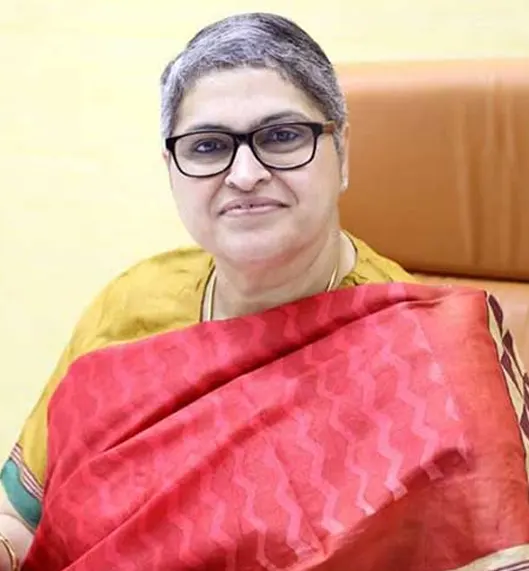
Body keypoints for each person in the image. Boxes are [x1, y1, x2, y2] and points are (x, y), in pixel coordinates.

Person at [1, 12, 528, 571]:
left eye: (281, 136)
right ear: (172, 169)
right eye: (208, 146)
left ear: (342, 152)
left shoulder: (430, 364)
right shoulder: (130, 305)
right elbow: (22, 517)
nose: (245, 174)